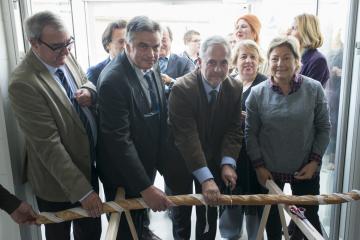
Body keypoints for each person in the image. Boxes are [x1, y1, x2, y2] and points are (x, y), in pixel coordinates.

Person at [8, 11, 102, 240]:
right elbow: (48, 147)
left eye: (68, 42)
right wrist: (84, 192)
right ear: (34, 43)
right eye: (58, 46)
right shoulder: (23, 83)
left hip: (87, 166)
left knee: (91, 233)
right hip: (57, 182)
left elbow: (84, 79)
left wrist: (90, 91)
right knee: (59, 234)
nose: (67, 51)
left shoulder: (61, 53)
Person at [245, 36, 330, 240]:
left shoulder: (314, 89)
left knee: (307, 221)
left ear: (297, 61)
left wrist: (314, 162)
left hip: (306, 168)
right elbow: (250, 133)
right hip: (269, 172)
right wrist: (259, 167)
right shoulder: (257, 94)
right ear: (268, 61)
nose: (280, 64)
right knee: (272, 223)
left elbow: (323, 128)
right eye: (275, 59)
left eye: (286, 58)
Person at [97, 16, 173, 240]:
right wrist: (146, 188)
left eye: (156, 46)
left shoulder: (152, 64)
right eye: (143, 46)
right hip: (122, 174)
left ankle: (142, 232)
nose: (151, 53)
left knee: (140, 221)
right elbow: (119, 141)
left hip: (144, 166)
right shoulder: (114, 80)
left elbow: (158, 116)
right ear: (127, 45)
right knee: (124, 230)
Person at [165, 35, 243, 239]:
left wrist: (227, 163)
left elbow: (234, 128)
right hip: (181, 159)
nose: (218, 69)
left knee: (209, 215)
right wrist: (206, 178)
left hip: (214, 158)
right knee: (181, 215)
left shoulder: (235, 88)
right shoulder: (182, 88)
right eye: (212, 62)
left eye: (224, 62)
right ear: (199, 62)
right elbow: (186, 137)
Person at [219, 40, 267, 240]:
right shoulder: (228, 83)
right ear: (235, 61)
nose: (248, 61)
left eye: (253, 57)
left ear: (259, 61)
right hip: (231, 153)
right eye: (243, 56)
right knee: (230, 193)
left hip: (255, 155)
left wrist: (250, 117)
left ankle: (255, 236)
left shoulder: (266, 84)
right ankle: (230, 234)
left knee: (255, 198)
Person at [288, 13, 330, 87]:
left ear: (305, 32)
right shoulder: (295, 57)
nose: (288, 32)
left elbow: (308, 94)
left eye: (294, 28)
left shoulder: (318, 60)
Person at [87, 19, 127, 87]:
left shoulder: (138, 69)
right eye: (121, 42)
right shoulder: (95, 72)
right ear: (107, 45)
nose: (126, 46)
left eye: (128, 41)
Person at [159, 26, 195, 96]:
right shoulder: (145, 63)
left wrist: (170, 82)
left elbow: (191, 88)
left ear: (171, 40)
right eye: (156, 40)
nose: (159, 44)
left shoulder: (185, 63)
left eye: (163, 40)